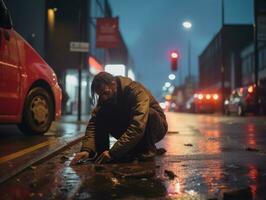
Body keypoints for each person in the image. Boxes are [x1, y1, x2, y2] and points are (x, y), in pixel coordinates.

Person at [71, 72, 168, 164]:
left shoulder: (135, 90)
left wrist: (114, 152)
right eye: (100, 95)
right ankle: (102, 153)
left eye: (105, 93)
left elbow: (138, 125)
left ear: (113, 84)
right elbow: (93, 124)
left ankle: (148, 150)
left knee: (150, 113)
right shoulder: (106, 97)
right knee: (101, 114)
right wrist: (86, 150)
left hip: (156, 128)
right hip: (131, 127)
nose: (103, 98)